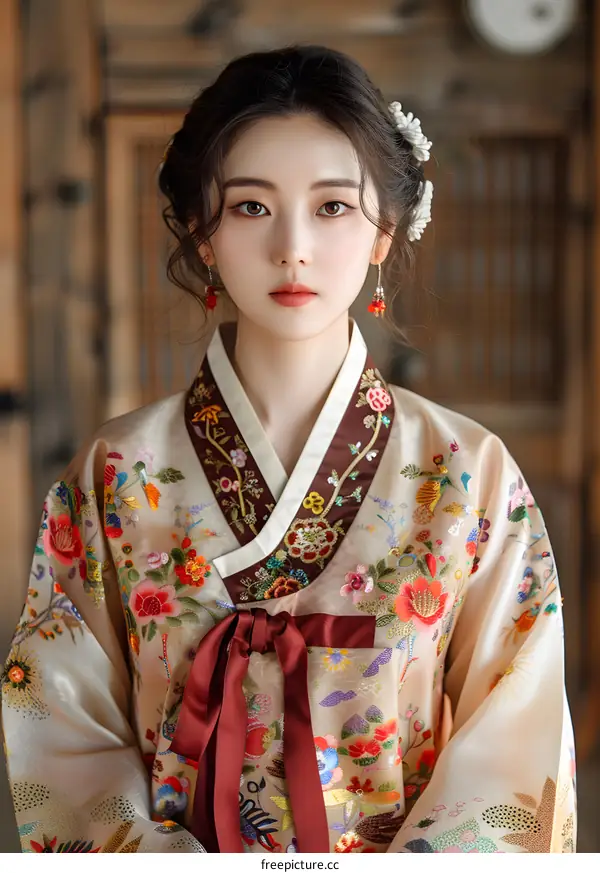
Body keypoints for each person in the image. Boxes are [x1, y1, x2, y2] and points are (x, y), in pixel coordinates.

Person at [1, 44, 576, 854]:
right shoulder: (115, 476)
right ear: (202, 232)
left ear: (384, 231)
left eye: (333, 206)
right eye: (250, 207)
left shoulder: (466, 473)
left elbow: (514, 737)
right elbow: (62, 734)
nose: (293, 246)